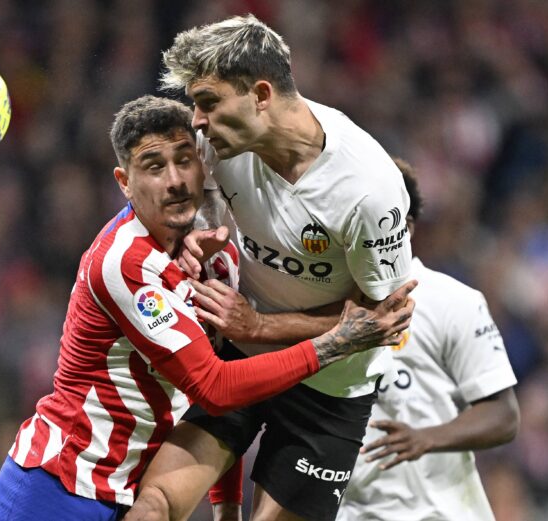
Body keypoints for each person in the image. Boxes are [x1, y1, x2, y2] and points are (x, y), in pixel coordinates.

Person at [0, 95, 415, 521]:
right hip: (61, 483)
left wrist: (225, 504)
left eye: (184, 160)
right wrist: (332, 344)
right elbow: (215, 387)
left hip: (128, 490)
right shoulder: (125, 262)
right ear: (124, 182)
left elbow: (212, 405)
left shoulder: (214, 254)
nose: (175, 180)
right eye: (154, 167)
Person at [126, 14, 415, 521]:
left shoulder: (368, 189)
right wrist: (199, 232)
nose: (196, 119)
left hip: (331, 386)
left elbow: (385, 320)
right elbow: (201, 201)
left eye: (209, 102)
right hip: (241, 359)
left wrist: (262, 324)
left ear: (260, 94)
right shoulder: (220, 145)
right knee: (154, 503)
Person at [335, 159, 520, 521]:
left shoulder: (454, 302)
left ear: (407, 227)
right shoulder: (321, 308)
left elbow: (504, 415)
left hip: (439, 513)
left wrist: (426, 438)